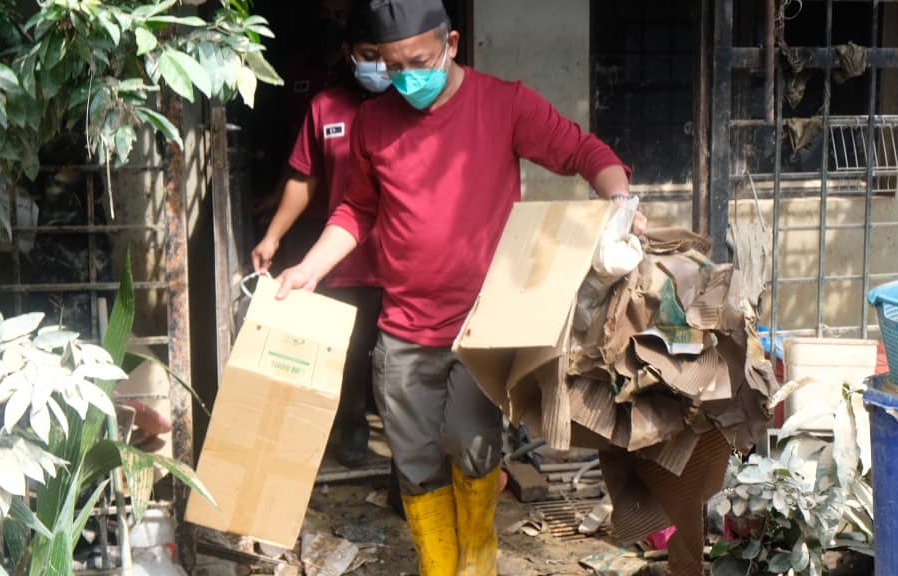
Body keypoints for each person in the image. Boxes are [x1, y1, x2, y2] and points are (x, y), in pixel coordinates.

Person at [276, 0, 645, 573]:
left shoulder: (505, 103)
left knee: (474, 451)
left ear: (450, 44)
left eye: (418, 62)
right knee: (415, 464)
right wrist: (311, 268)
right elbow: (355, 210)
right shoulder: (374, 122)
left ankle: (477, 562)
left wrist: (619, 200)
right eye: (391, 67)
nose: (405, 79)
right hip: (401, 330)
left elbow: (582, 152)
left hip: (480, 328)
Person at [252, 5, 391, 469]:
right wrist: (273, 236)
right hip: (344, 259)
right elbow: (304, 178)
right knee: (348, 357)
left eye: (386, 54)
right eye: (370, 54)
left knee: (401, 364)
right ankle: (350, 430)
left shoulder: (411, 104)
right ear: (349, 54)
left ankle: (403, 460)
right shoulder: (326, 107)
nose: (381, 65)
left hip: (403, 261)